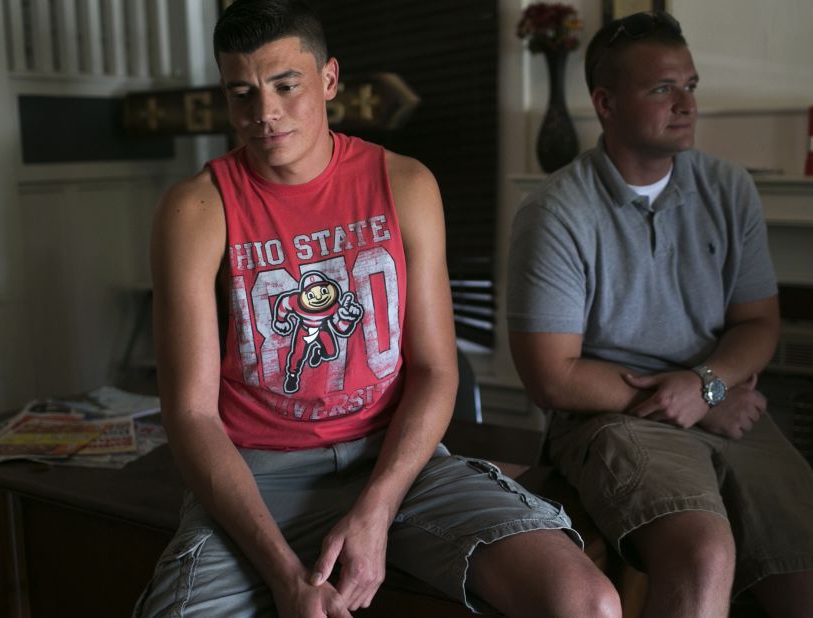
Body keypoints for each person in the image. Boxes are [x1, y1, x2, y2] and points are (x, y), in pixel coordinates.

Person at [135, 1, 620, 616]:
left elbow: (437, 370)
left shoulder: (406, 184)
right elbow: (191, 413)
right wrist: (287, 577)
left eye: (286, 86)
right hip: (258, 475)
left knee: (588, 602)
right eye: (242, 94)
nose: (265, 114)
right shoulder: (195, 210)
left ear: (330, 79)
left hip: (396, 463)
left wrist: (377, 509)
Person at [506, 11, 813, 618]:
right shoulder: (556, 211)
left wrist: (707, 387)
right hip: (608, 417)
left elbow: (758, 323)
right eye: (662, 88)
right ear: (606, 102)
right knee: (703, 558)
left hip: (720, 399)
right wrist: (690, 399)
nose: (686, 104)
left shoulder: (728, 188)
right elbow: (551, 377)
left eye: (690, 86)